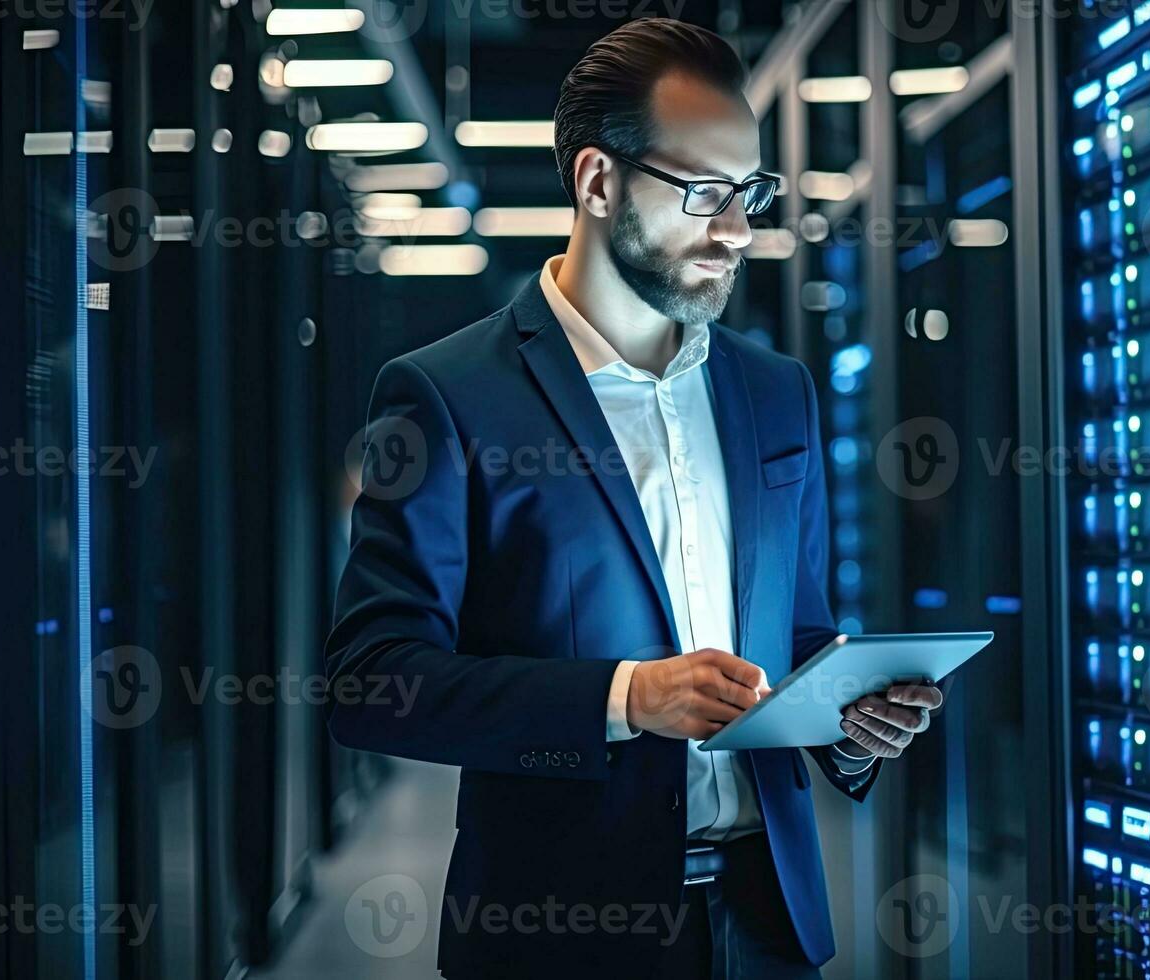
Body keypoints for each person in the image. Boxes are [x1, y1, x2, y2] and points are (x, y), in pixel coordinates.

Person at [324, 18, 946, 979]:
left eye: (749, 193)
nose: (738, 229)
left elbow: (802, 634)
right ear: (597, 182)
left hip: (769, 927)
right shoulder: (449, 395)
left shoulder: (775, 392)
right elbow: (373, 683)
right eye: (704, 191)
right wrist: (628, 697)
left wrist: (851, 719)